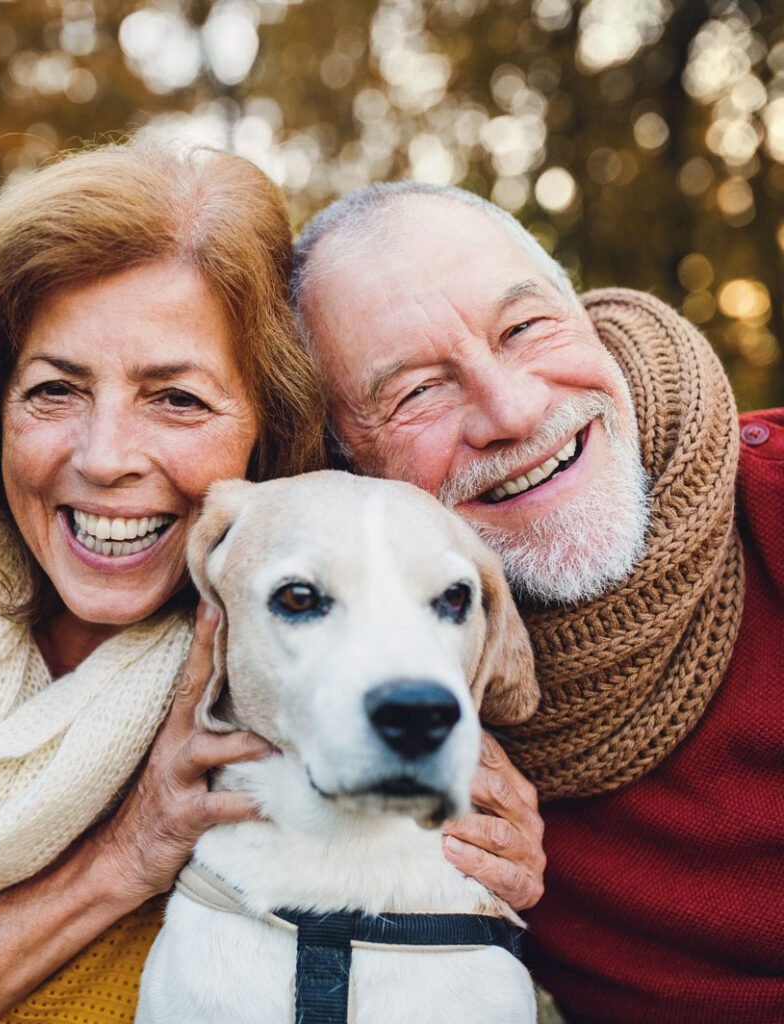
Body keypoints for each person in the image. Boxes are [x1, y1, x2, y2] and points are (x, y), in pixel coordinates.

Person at [0, 144, 542, 1024]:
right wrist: (125, 855)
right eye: (54, 390)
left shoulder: (313, 616)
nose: (104, 459)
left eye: (176, 399)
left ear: (269, 422)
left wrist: (482, 847)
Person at [291, 181, 783, 1024]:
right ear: (347, 473)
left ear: (583, 313)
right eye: (416, 393)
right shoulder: (387, 716)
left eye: (525, 328)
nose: (514, 411)